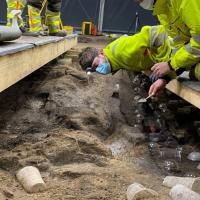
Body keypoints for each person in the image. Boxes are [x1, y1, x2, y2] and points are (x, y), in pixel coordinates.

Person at [79, 25, 176, 95]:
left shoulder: (121, 51)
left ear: (101, 53)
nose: (98, 69)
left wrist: (166, 70)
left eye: (96, 65)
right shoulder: (114, 58)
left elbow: (155, 33)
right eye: (95, 70)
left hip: (175, 48)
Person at [134, 0, 200, 95]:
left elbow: (198, 42)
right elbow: (180, 45)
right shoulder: (162, 10)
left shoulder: (187, 2)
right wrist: (166, 77)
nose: (139, 3)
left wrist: (171, 65)